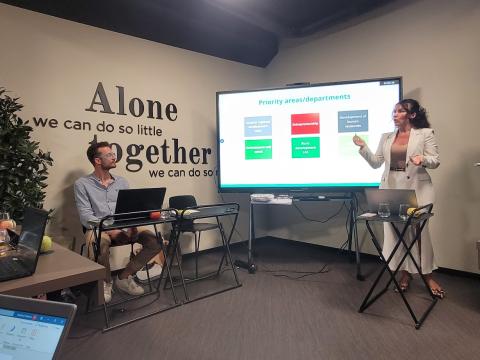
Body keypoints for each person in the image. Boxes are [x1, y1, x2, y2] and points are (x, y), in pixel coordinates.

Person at [352, 99, 445, 299]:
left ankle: (427, 275)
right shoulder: (386, 137)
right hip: (392, 190)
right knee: (397, 233)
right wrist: (363, 147)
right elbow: (377, 163)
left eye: (400, 111)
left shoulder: (425, 134)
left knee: (420, 234)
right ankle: (405, 274)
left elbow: (435, 160)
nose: (395, 114)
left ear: (412, 115)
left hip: (418, 189)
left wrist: (423, 159)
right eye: (394, 111)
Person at [74, 141, 163, 303]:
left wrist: (132, 226)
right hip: (99, 228)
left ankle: (123, 277)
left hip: (124, 225)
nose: (114, 157)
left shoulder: (122, 182)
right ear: (97, 160)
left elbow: (129, 209)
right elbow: (86, 216)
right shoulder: (82, 184)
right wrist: (109, 229)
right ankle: (105, 282)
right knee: (96, 243)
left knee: (155, 242)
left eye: (113, 154)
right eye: (109, 155)